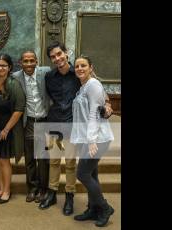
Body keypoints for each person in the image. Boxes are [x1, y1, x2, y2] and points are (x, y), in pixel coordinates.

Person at [39, 41, 112, 216]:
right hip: (54, 123)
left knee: (71, 164)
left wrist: (108, 104)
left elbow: (99, 92)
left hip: (74, 125)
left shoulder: (79, 73)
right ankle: (52, 193)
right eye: (53, 57)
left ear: (66, 53)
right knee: (54, 161)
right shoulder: (49, 77)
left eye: (59, 54)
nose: (57, 58)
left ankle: (69, 196)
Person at [70, 55, 114, 227]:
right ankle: (93, 209)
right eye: (77, 66)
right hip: (87, 137)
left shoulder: (93, 85)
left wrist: (91, 140)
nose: (80, 68)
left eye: (83, 65)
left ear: (90, 67)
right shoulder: (83, 87)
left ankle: (104, 208)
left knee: (82, 173)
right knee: (92, 173)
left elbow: (94, 114)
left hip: (97, 138)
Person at [11, 50, 51, 203]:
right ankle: (32, 188)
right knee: (30, 158)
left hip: (46, 121)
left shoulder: (46, 72)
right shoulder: (15, 77)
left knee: (44, 158)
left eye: (31, 60)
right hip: (28, 123)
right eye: (25, 61)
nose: (28, 64)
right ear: (20, 63)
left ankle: (43, 189)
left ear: (37, 61)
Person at [0, 53, 25, 204]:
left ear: (9, 67)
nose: (0, 68)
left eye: (4, 65)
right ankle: (1, 188)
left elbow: (19, 109)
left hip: (7, 129)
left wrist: (6, 129)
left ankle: (7, 191)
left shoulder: (13, 84)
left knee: (5, 161)